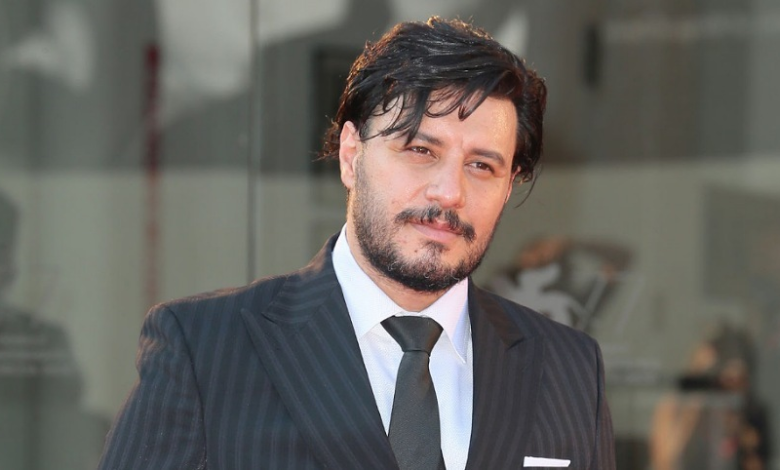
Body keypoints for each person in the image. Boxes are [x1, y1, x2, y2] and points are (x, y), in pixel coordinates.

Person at [98, 17, 615, 470]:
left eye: (482, 165)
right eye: (420, 150)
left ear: (508, 186)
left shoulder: (569, 369)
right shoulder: (204, 350)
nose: (450, 192)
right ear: (351, 155)